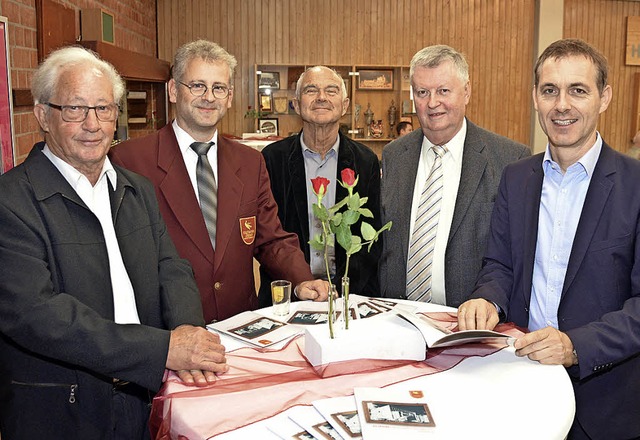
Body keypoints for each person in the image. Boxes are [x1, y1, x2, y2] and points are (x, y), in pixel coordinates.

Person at [0, 46, 228, 439]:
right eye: (75, 109)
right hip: (64, 412)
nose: (93, 124)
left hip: (145, 398)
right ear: (43, 116)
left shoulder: (135, 188)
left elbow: (170, 268)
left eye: (104, 108)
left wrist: (188, 335)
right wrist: (162, 350)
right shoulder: (11, 201)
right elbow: (40, 316)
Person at [457, 39, 640, 439]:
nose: (562, 105)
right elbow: (500, 265)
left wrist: (576, 346)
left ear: (604, 97)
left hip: (605, 405)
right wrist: (487, 297)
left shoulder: (636, 185)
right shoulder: (516, 177)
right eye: (549, 90)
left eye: (578, 90)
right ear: (535, 99)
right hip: (520, 388)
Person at [109, 40, 328, 323]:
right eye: (198, 86)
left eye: (219, 88)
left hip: (240, 328)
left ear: (230, 96)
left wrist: (301, 280)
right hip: (170, 333)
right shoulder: (129, 162)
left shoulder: (250, 162)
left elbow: (271, 238)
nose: (209, 97)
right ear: (174, 91)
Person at [379, 45, 530, 307]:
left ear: (467, 91)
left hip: (469, 325)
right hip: (397, 319)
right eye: (422, 92)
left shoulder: (509, 160)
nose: (432, 102)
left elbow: (516, 255)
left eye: (443, 91)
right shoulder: (394, 155)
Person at [260, 66, 382, 307]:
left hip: (347, 296)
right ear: (296, 103)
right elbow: (267, 237)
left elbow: (371, 240)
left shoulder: (365, 161)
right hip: (288, 294)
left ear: (345, 105)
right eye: (311, 90)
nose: (321, 97)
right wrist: (299, 283)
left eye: (331, 90)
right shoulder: (271, 159)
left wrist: (344, 291)